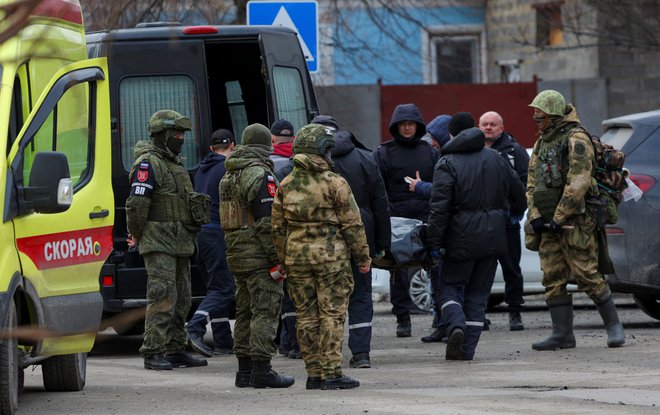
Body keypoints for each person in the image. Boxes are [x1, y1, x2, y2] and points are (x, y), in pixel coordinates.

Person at [272, 123, 371, 390]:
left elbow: (278, 228)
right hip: (331, 260)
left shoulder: (286, 183)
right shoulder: (335, 182)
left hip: (297, 260)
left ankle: (314, 373)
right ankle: (331, 372)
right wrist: (363, 258)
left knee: (305, 316)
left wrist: (283, 259)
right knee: (332, 314)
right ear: (321, 150)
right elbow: (352, 223)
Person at [526, 90, 625, 351]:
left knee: (587, 272)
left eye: (541, 113)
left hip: (576, 221)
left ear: (555, 115)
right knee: (552, 276)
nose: (536, 117)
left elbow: (579, 181)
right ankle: (562, 335)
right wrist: (535, 215)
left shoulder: (576, 138)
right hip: (546, 224)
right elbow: (531, 183)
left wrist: (560, 217)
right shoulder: (541, 142)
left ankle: (614, 327)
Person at [425, 125, 526, 361]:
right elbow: (518, 193)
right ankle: (467, 349)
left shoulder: (447, 163)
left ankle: (456, 324)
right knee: (478, 295)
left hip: (459, 238)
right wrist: (514, 213)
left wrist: (433, 243)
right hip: (493, 238)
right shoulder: (497, 158)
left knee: (448, 287)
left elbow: (439, 209)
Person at [126, 109, 209, 370]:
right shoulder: (148, 163)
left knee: (183, 298)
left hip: (180, 241)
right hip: (159, 242)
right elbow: (138, 203)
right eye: (177, 133)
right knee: (163, 296)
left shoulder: (174, 163)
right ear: (161, 135)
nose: (181, 138)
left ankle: (175, 349)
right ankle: (153, 351)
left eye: (183, 133)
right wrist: (135, 232)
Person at [312, 114, 391, 369]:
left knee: (324, 297)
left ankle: (322, 353)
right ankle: (361, 353)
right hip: (361, 236)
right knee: (360, 295)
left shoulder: (308, 162)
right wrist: (381, 243)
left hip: (322, 241)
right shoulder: (365, 158)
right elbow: (381, 204)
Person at [219, 123, 294, 388]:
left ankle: (244, 371)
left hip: (236, 252)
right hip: (259, 256)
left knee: (244, 312)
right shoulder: (261, 175)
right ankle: (263, 370)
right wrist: (278, 258)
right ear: (266, 147)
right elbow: (266, 223)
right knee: (265, 310)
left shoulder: (228, 175)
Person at [374, 103, 438, 338]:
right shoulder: (384, 153)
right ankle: (402, 318)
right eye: (403, 124)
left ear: (418, 125)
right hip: (396, 221)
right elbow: (378, 186)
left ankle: (439, 316)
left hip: (425, 218)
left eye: (411, 123)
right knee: (398, 272)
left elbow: (441, 186)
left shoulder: (430, 152)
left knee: (434, 268)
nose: (408, 127)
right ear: (396, 126)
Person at [478, 111, 530, 331]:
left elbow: (527, 182)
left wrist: (516, 209)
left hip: (507, 221)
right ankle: (478, 314)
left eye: (493, 124)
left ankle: (515, 313)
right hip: (481, 223)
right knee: (481, 271)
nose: (488, 128)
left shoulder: (514, 151)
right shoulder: (474, 150)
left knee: (511, 269)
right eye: (484, 124)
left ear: (501, 127)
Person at [186, 129, 236, 358]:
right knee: (225, 288)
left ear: (211, 148)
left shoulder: (200, 170)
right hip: (217, 234)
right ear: (233, 146)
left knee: (214, 287)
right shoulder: (227, 168)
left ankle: (224, 340)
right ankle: (195, 326)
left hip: (200, 235)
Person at [268, 119, 301, 360]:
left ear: (272, 139)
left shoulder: (269, 165)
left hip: (282, 238)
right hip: (307, 240)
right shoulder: (307, 163)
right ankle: (296, 344)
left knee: (283, 295)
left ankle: (285, 343)